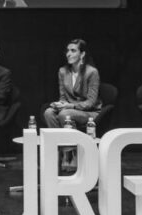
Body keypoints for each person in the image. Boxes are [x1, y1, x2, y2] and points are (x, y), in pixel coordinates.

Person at [43, 39, 102, 170]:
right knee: (48, 112)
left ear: (82, 54)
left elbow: (91, 102)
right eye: (67, 51)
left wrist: (69, 106)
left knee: (65, 114)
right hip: (69, 109)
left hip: (89, 112)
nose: (68, 54)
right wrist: (59, 104)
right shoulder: (63, 71)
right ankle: (65, 151)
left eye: (73, 50)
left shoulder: (92, 72)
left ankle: (72, 156)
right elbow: (63, 97)